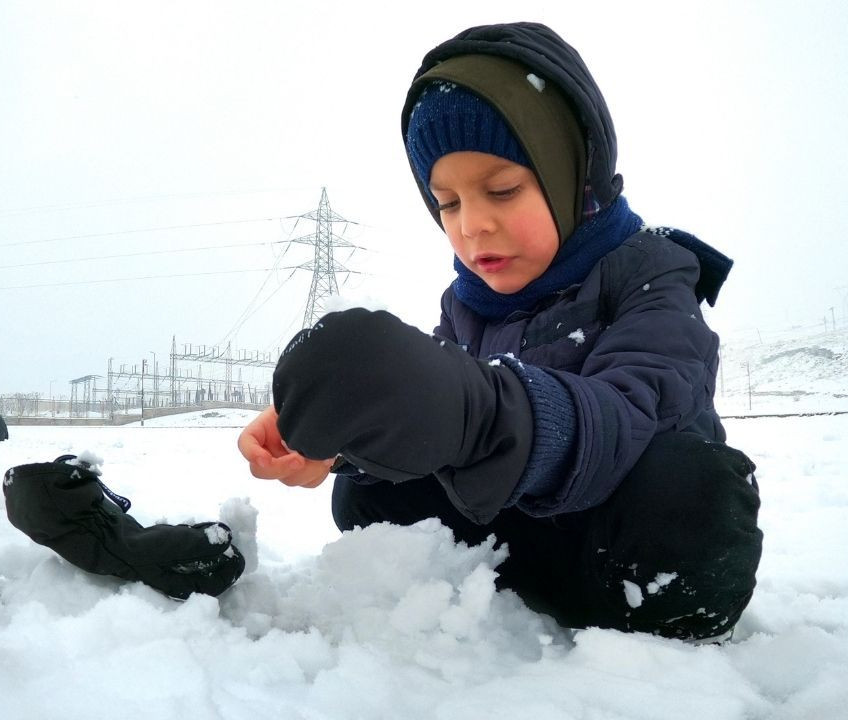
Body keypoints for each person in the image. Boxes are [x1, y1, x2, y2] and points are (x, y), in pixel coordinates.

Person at [237, 22, 762, 641]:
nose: (472, 226)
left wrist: (476, 413)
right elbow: (436, 422)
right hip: (511, 540)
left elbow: (630, 412)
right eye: (448, 203)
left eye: (503, 189)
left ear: (576, 175)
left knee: (691, 489)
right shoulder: (467, 304)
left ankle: (643, 622)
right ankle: (494, 596)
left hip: (616, 549)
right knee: (368, 494)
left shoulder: (652, 275)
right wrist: (343, 438)